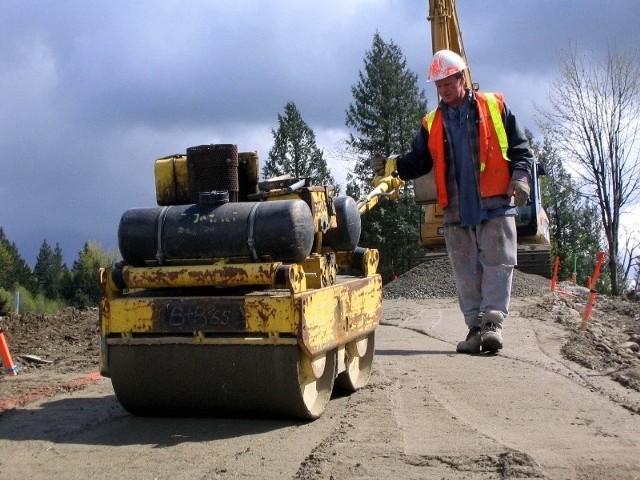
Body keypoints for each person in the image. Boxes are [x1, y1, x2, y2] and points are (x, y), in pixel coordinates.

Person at [371, 49, 534, 354]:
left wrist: (521, 177)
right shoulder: (432, 122)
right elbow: (419, 161)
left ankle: (492, 325)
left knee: (498, 264)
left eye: (448, 83)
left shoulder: (494, 107)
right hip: (457, 209)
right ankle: (474, 328)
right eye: (438, 86)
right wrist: (392, 165)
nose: (443, 90)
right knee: (465, 269)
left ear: (462, 78)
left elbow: (521, 149)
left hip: (495, 202)